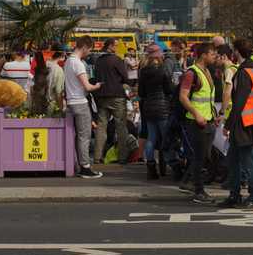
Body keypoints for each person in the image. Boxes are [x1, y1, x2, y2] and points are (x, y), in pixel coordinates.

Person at [219, 39, 253, 209]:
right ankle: (234, 195)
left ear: (237, 51)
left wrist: (228, 125)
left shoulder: (244, 73)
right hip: (251, 120)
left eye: (233, 50)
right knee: (233, 160)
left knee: (249, 161)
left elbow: (239, 103)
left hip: (244, 123)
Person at [179, 42, 218, 204]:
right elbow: (183, 97)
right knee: (200, 157)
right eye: (212, 54)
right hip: (196, 122)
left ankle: (188, 182)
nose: (215, 57)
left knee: (203, 156)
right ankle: (199, 191)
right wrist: (196, 114)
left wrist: (214, 115)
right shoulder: (192, 73)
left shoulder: (206, 71)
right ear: (203, 55)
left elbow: (207, 98)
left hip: (208, 120)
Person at [64, 36, 103, 178]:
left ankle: (78, 164)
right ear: (85, 47)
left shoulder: (68, 61)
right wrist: (97, 86)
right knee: (84, 136)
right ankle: (85, 167)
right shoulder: (79, 64)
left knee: (76, 136)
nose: (89, 53)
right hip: (80, 102)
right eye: (90, 49)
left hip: (70, 102)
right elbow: (87, 87)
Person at [92, 38, 132, 165]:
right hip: (117, 96)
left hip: (102, 96)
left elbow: (96, 77)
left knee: (101, 127)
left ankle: (97, 157)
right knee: (121, 127)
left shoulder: (98, 61)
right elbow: (126, 77)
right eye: (116, 45)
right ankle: (122, 157)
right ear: (110, 46)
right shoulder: (116, 60)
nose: (117, 47)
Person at [138, 44, 174, 180]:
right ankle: (173, 165)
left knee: (151, 138)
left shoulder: (143, 71)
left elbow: (141, 92)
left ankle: (151, 168)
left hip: (148, 107)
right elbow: (169, 90)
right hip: (162, 108)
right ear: (159, 55)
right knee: (166, 138)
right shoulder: (163, 70)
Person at [46, 50, 66, 115]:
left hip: (41, 102)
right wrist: (61, 108)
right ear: (62, 56)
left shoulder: (44, 65)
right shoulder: (59, 70)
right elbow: (58, 92)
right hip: (53, 105)